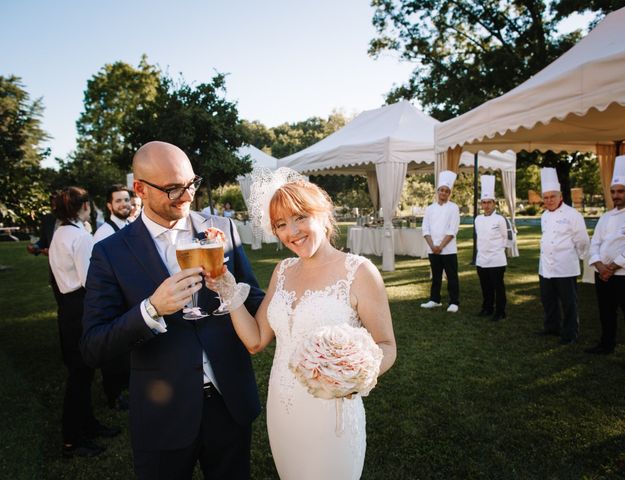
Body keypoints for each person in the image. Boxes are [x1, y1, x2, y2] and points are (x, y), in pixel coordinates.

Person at [80, 141, 264, 479]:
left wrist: (298, 292)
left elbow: (253, 298)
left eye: (191, 183)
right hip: (162, 413)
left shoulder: (222, 230)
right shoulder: (109, 253)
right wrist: (151, 309)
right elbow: (93, 345)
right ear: (140, 189)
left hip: (229, 404)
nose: (187, 196)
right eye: (173, 189)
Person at [205, 170, 396, 480]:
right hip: (282, 409)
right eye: (281, 225)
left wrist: (357, 376)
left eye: (299, 218)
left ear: (322, 214)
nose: (292, 232)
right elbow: (255, 341)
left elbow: (387, 346)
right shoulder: (282, 270)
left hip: (330, 414)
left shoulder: (360, 271)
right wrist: (228, 290)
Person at [48, 187, 119, 458]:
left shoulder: (60, 234)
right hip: (79, 307)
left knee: (84, 373)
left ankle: (88, 425)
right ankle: (72, 438)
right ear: (85, 206)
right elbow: (92, 281)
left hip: (66, 308)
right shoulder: (79, 237)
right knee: (79, 376)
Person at [585, 155, 625, 369]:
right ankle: (606, 344)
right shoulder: (605, 217)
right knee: (606, 312)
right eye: (613, 191)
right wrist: (600, 266)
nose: (616, 195)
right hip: (604, 274)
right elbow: (595, 243)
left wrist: (613, 266)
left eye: (621, 191)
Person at [537, 167, 590, 345]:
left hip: (565, 266)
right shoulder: (544, 215)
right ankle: (552, 327)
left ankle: (570, 333)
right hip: (546, 266)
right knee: (548, 299)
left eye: (552, 196)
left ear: (560, 196)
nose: (549, 200)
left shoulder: (573, 215)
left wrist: (580, 258)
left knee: (569, 302)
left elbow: (582, 240)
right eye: (546, 197)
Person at [92, 184, 133, 410]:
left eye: (126, 200)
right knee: (114, 349)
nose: (124, 204)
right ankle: (113, 394)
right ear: (109, 205)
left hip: (129, 295)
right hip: (115, 296)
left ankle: (124, 384)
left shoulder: (129, 226)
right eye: (118, 201)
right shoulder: (104, 234)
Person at [420, 170, 461, 313]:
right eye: (442, 190)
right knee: (436, 276)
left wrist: (441, 246)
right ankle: (434, 300)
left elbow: (452, 230)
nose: (444, 193)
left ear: (449, 193)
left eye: (446, 191)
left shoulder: (454, 208)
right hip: (433, 249)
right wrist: (433, 246)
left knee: (451, 276)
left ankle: (454, 302)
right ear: (437, 191)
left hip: (448, 249)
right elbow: (425, 229)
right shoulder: (430, 208)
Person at [474, 175, 509, 321]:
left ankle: (500, 311)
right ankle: (487, 308)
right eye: (484, 202)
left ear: (494, 203)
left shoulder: (500, 219)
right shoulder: (478, 219)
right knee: (485, 287)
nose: (486, 205)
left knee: (498, 287)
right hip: (482, 259)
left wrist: (497, 250)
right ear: (481, 204)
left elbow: (507, 239)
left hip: (496, 259)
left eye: (489, 202)